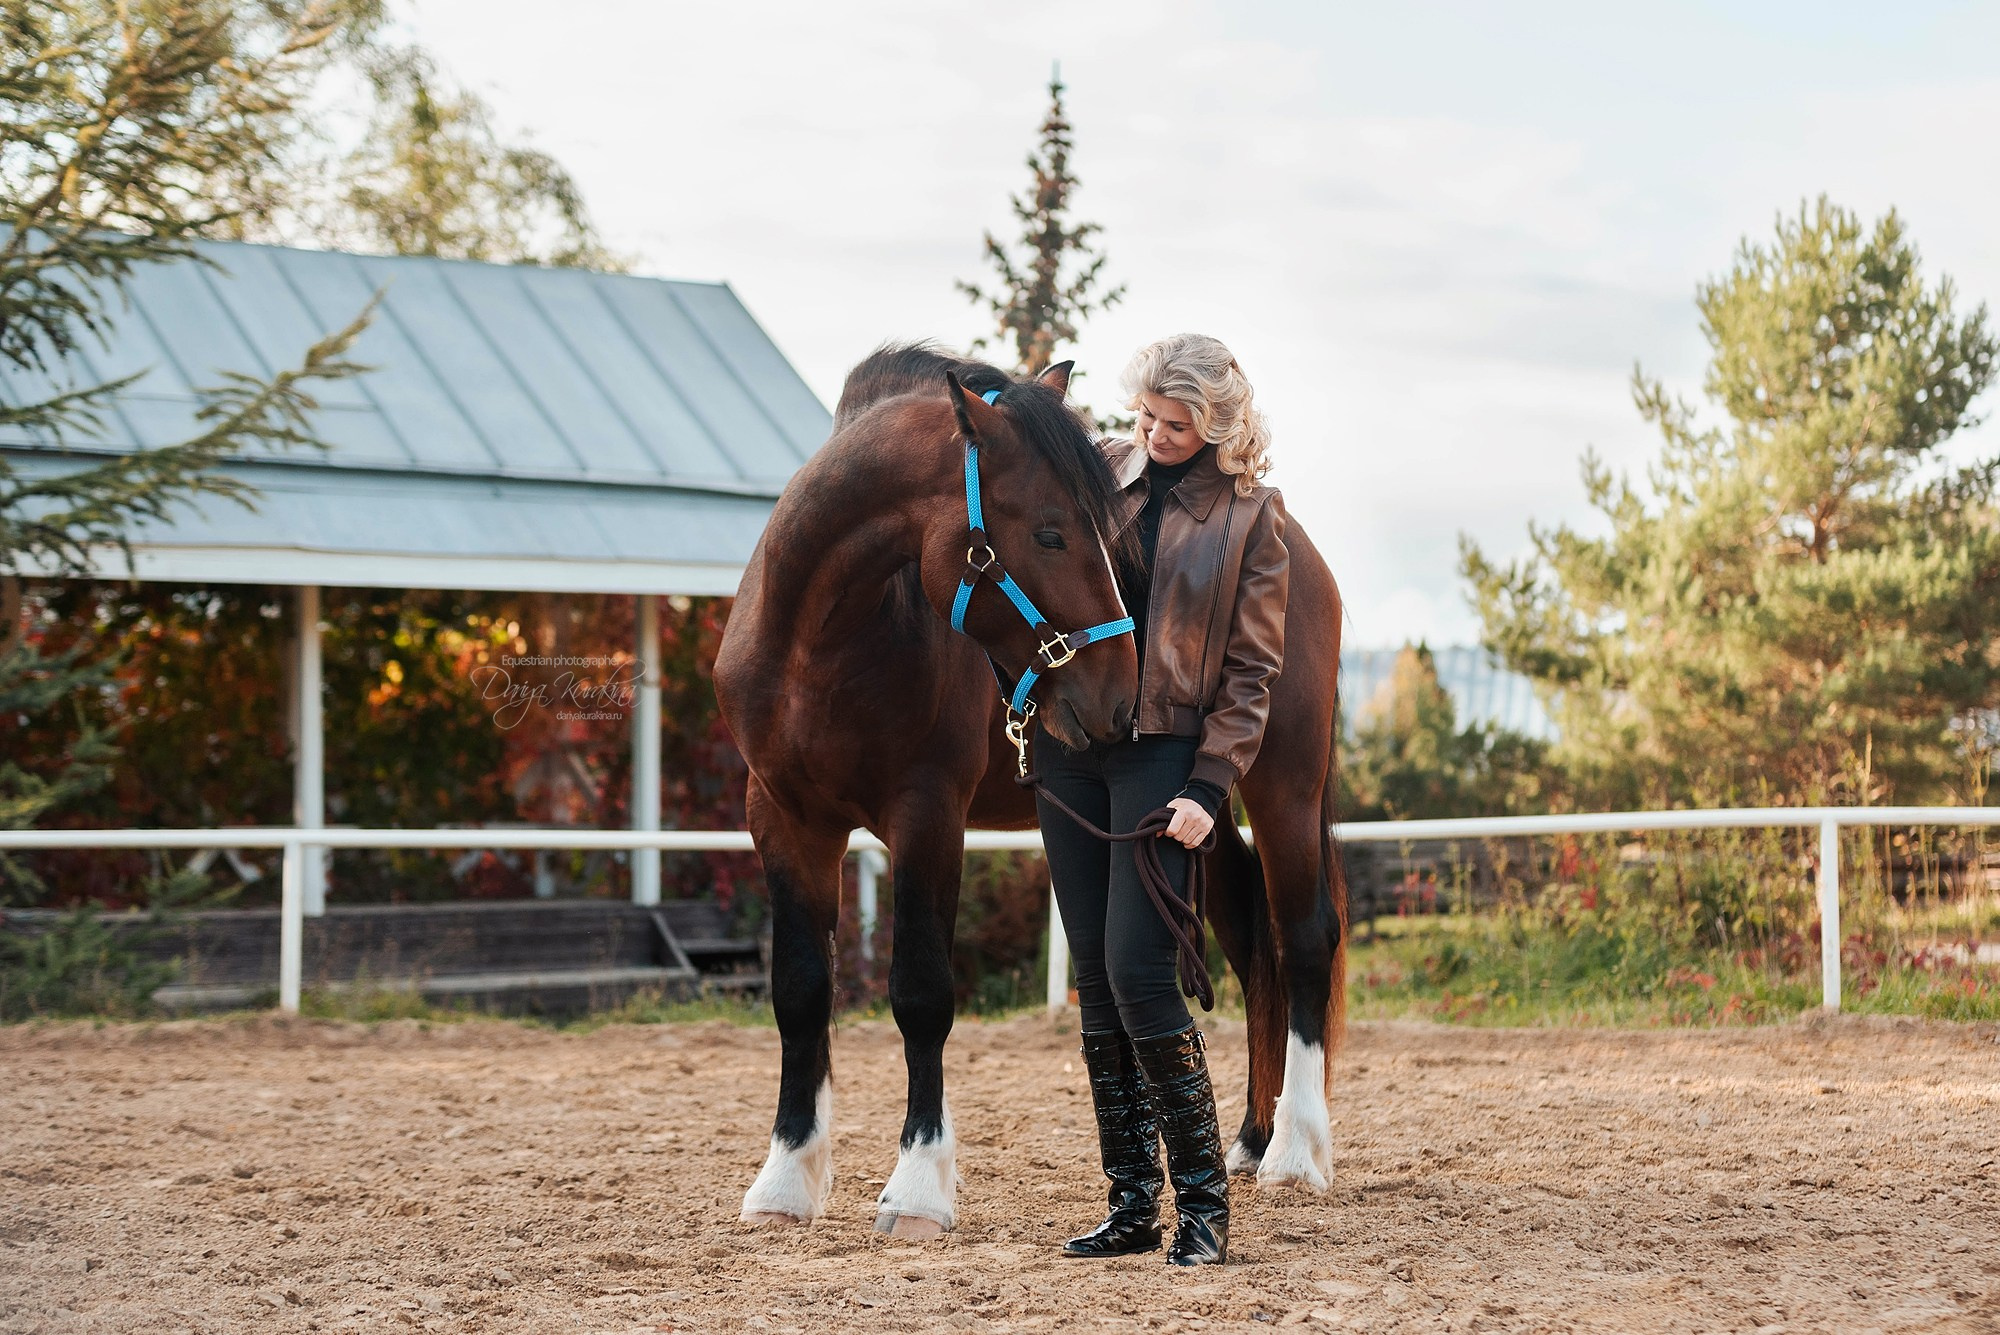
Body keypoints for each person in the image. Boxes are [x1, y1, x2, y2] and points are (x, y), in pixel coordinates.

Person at [1035, 332, 1289, 1267]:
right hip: (1071, 749)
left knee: (1142, 973)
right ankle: (1133, 1202)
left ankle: (1206, 1210)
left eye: (1174, 424)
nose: (1152, 434)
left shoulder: (1252, 517)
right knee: (1096, 977)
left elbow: (1253, 672)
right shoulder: (1102, 470)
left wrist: (1210, 788)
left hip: (1166, 754)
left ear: (1216, 424)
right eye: (1145, 416)